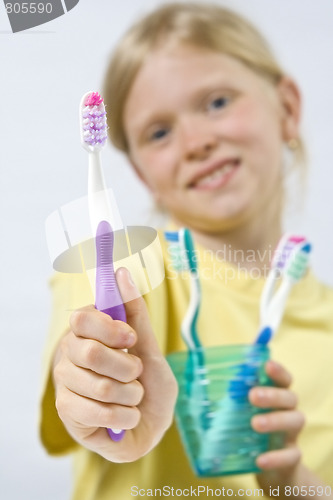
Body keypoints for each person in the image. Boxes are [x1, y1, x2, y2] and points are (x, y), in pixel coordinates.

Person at [40, 2, 333, 499]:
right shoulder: (118, 264)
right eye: (159, 133)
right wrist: (98, 397)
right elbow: (80, 372)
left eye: (217, 102)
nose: (195, 141)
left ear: (286, 107)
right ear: (141, 176)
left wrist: (292, 483)